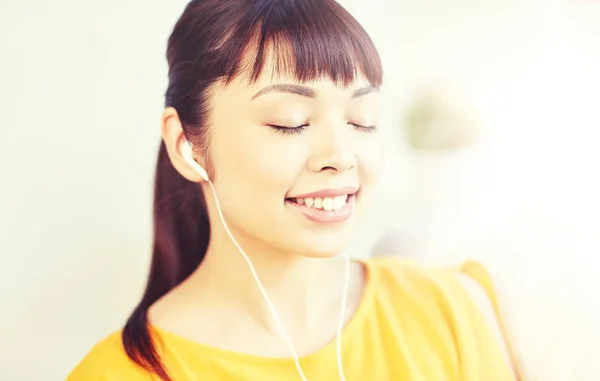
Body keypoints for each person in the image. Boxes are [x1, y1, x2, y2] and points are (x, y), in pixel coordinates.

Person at [67, 0, 525, 380]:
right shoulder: (118, 373)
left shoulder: (448, 312)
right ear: (188, 146)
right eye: (291, 122)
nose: (341, 156)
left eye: (362, 120)